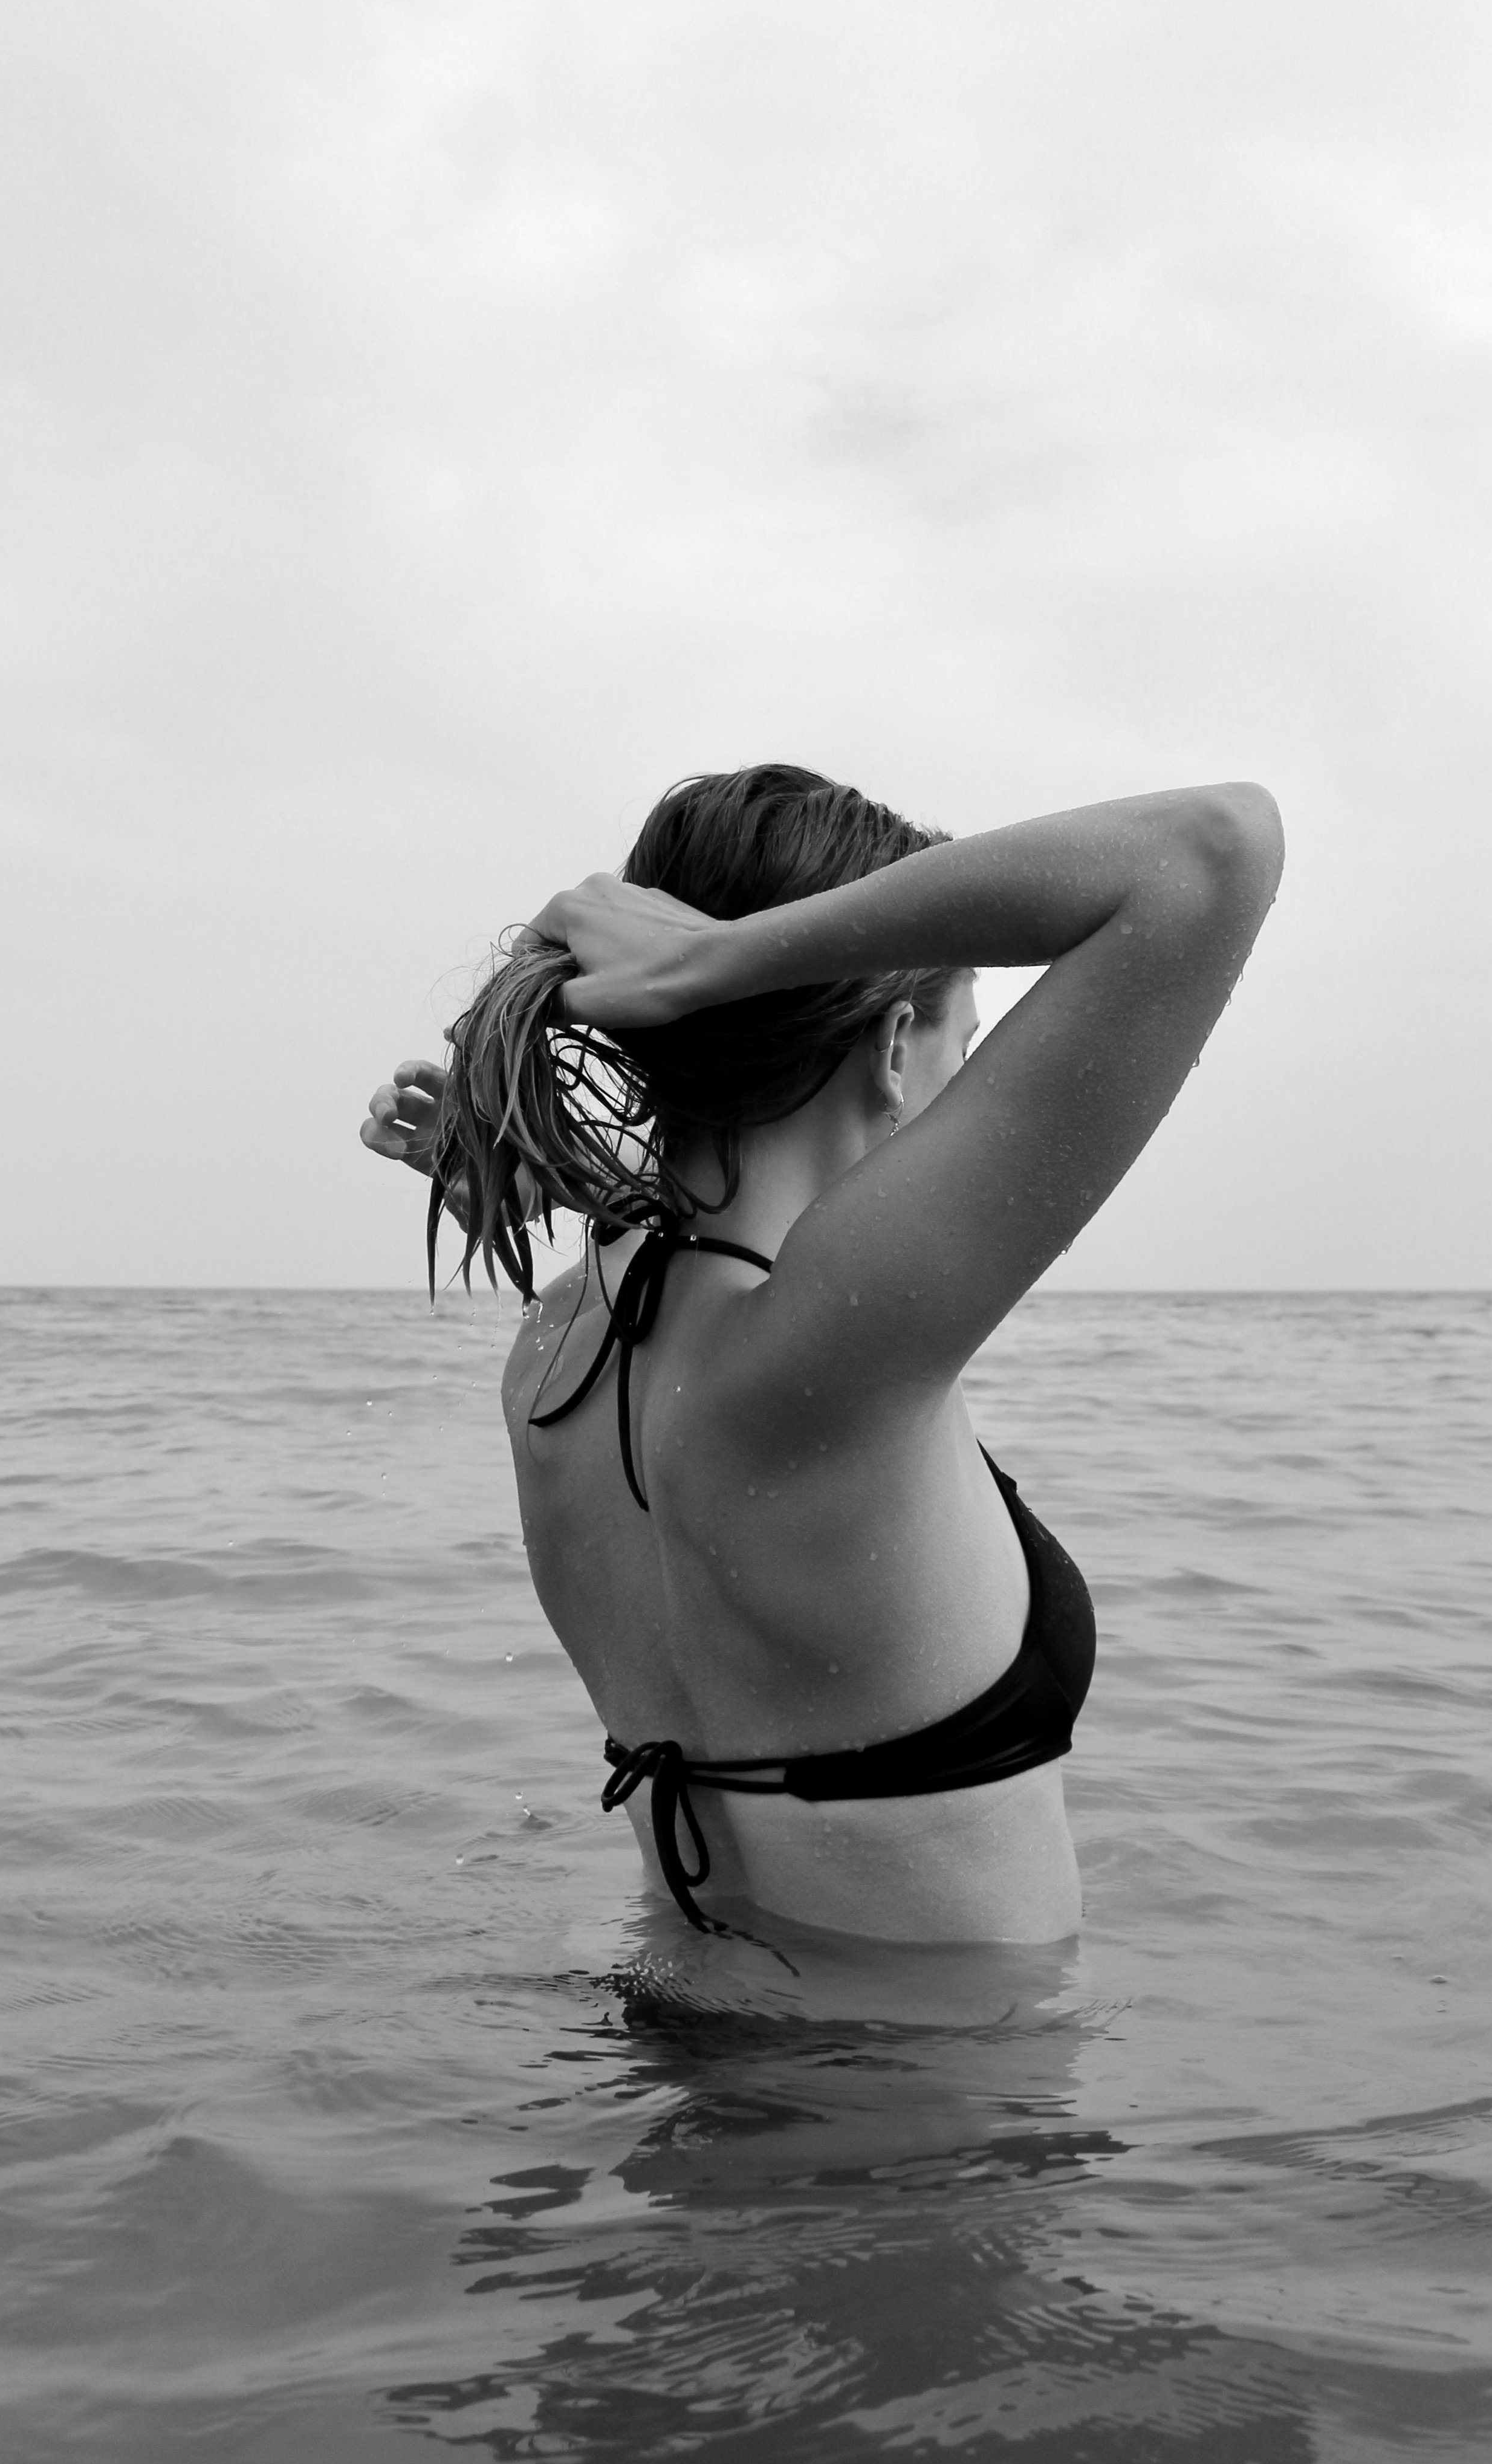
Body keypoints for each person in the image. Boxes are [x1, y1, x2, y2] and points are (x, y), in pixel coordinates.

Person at [361, 764, 1282, 1946]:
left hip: (667, 2018)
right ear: (895, 1044)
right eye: (968, 1047)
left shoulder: (564, 1337)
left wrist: (574, 1147)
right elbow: (1212, 848)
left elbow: (686, 1230)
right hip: (919, 2064)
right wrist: (720, 959)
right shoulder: (826, 1350)